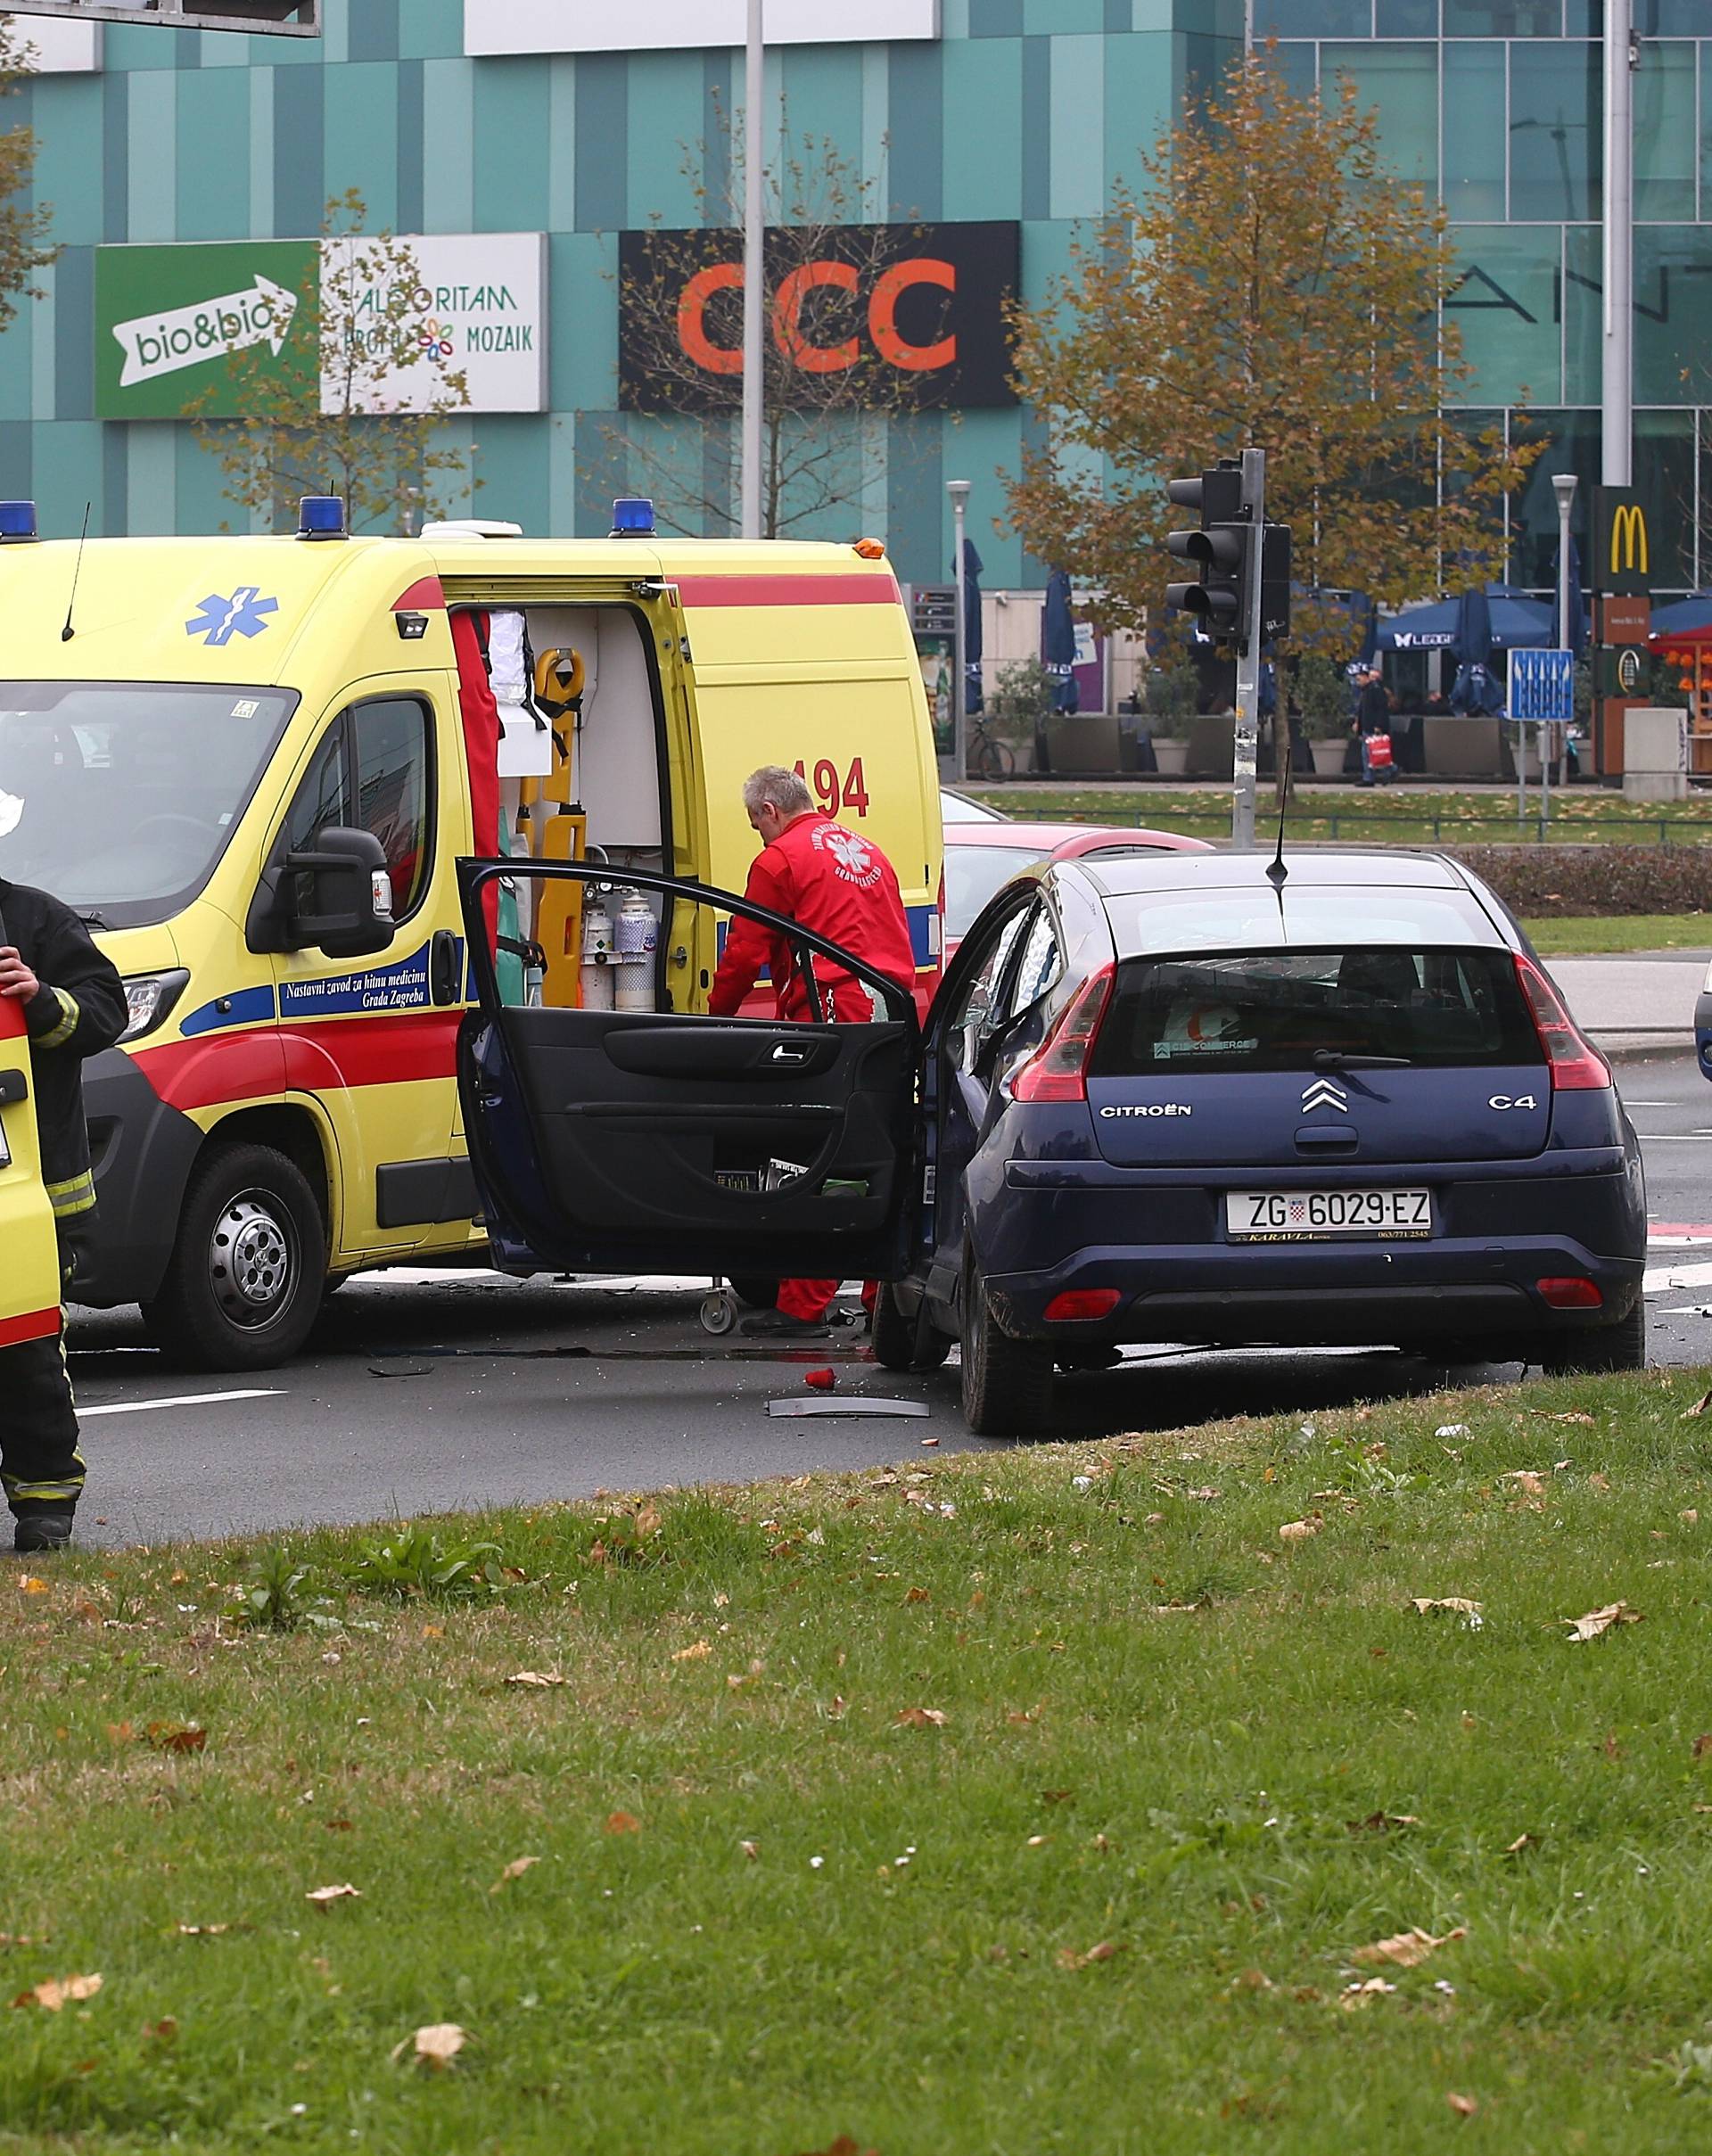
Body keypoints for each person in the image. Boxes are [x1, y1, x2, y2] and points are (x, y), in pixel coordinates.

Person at [707, 766, 915, 1337]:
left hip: (830, 1018)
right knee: (882, 1155)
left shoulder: (780, 861)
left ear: (771, 810)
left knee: (818, 1158)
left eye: (756, 825)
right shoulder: (867, 850)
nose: (759, 836)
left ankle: (803, 1305)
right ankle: (882, 1295)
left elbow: (746, 953)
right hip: (890, 1014)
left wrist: (713, 1020)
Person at [0, 878, 128, 1553]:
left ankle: (45, 1501)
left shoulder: (34, 919)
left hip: (29, 1198)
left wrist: (39, 998)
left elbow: (109, 1012)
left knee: (24, 1356)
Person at [1353, 664, 1393, 786]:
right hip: (1367, 726)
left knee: (1371, 753)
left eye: (1359, 679)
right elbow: (1362, 710)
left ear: (1366, 677)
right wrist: (1357, 722)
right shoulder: (1366, 691)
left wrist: (1378, 725)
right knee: (1375, 753)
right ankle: (1386, 773)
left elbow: (1381, 709)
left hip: (1372, 727)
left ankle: (1372, 776)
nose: (1357, 682)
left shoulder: (1375, 690)